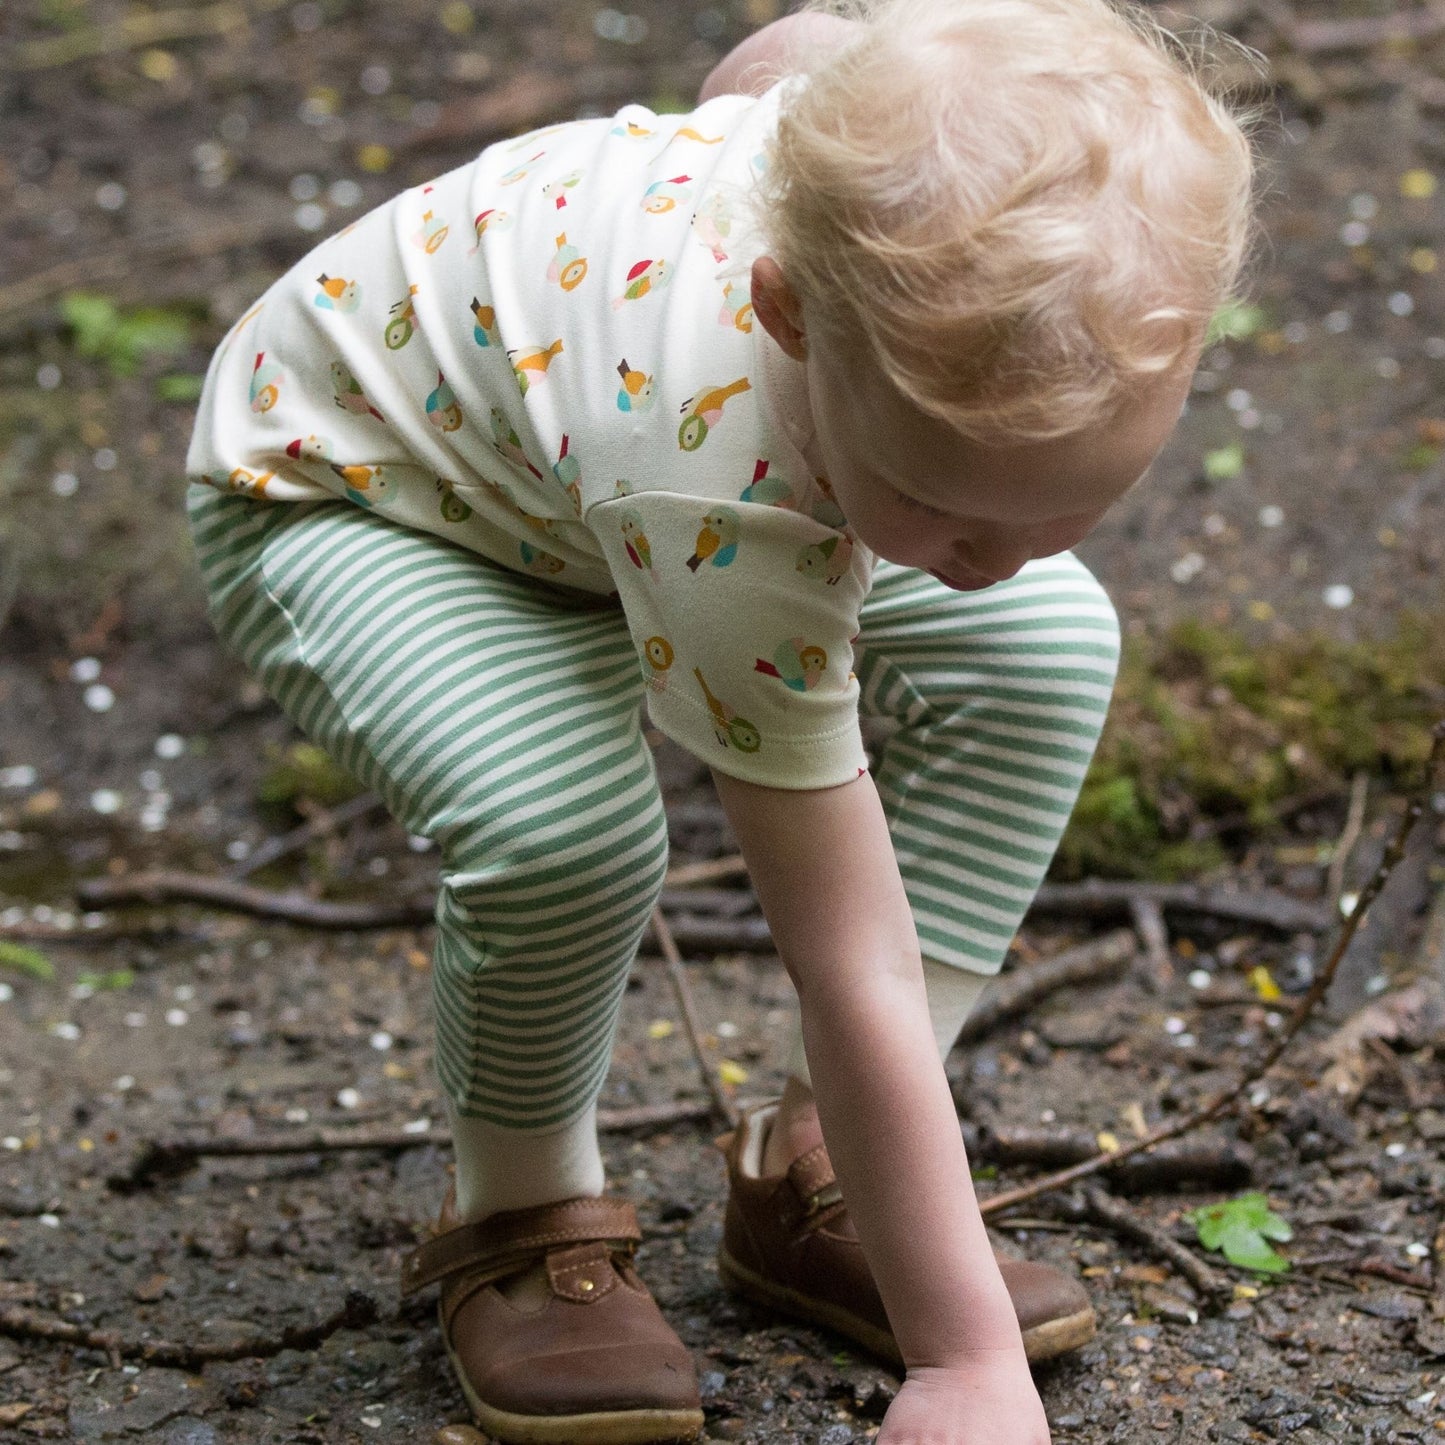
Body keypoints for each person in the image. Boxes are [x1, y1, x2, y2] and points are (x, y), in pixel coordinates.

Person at [184, 0, 1257, 1439]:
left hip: (587, 475)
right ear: (788, 313)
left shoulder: (857, 161)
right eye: (940, 502)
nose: (993, 547)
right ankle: (520, 1209)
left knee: (1044, 638)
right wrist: (965, 1360)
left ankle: (825, 1160)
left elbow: (785, 57)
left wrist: (926, 501)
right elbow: (849, 956)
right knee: (563, 829)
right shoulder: (722, 504)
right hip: (364, 493)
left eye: (1067, 498)